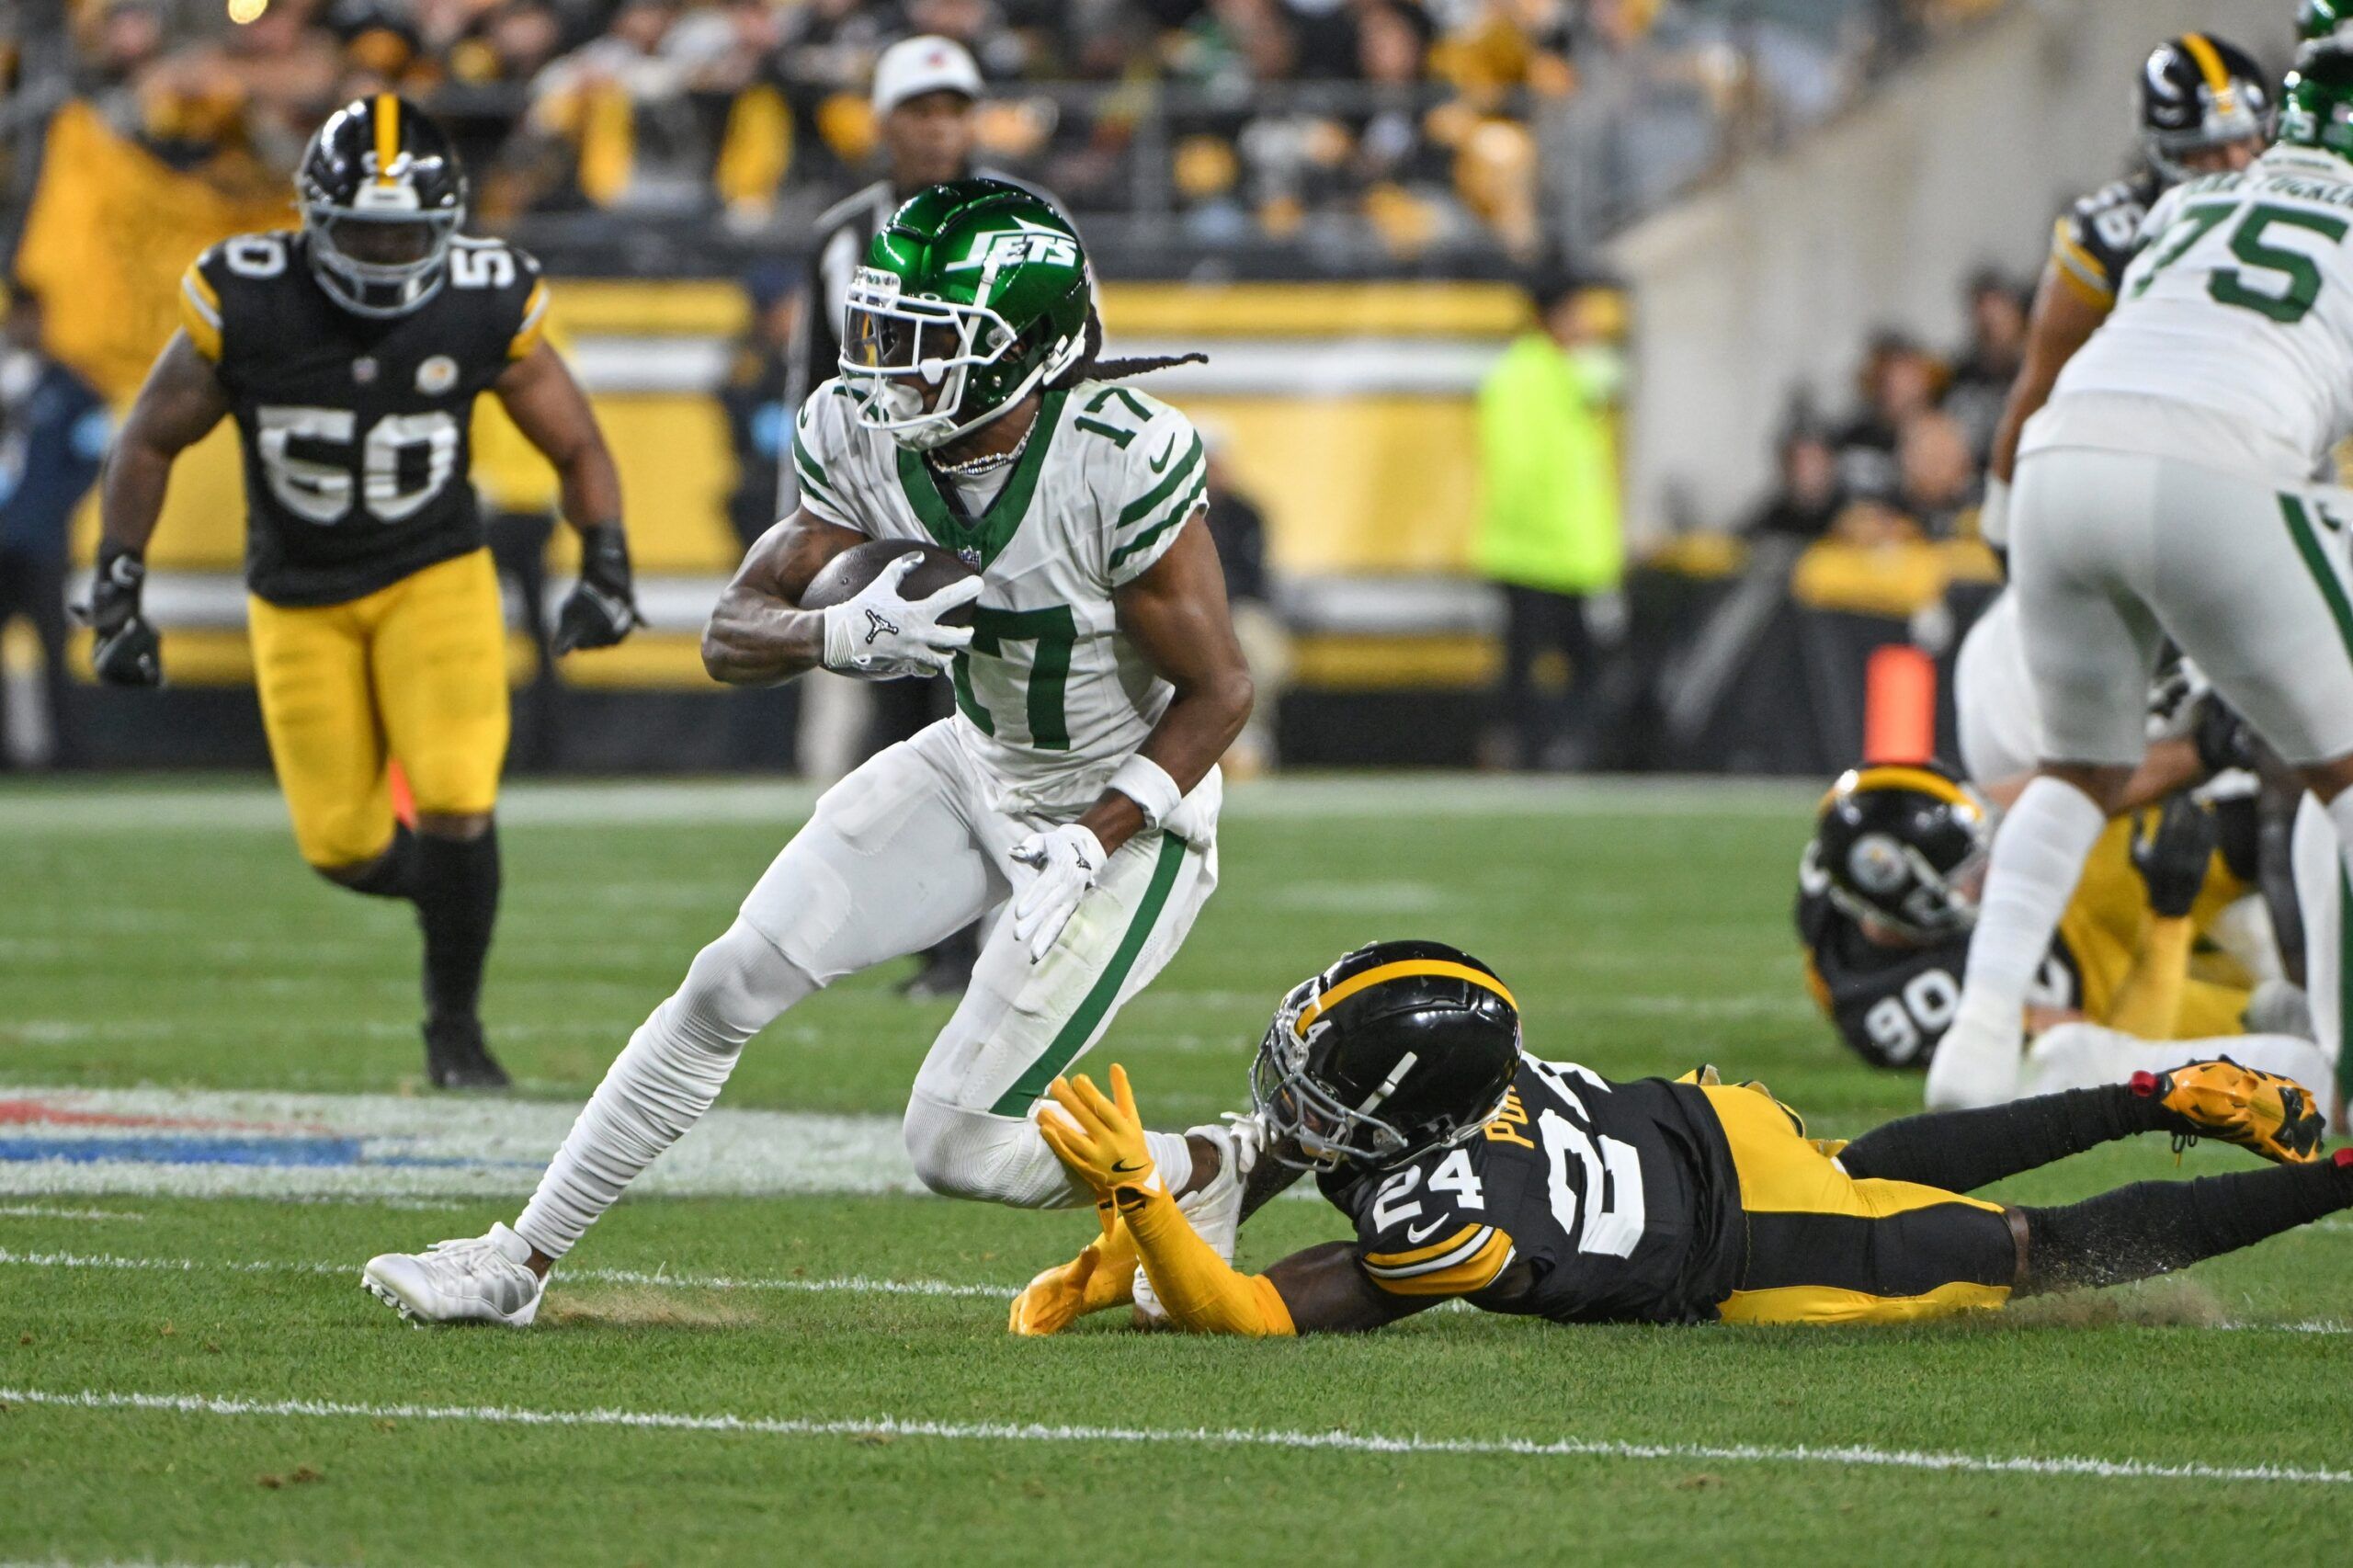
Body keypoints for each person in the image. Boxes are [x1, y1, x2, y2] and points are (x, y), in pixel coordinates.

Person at [359, 179, 1256, 1328]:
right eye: (886, 330)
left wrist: (1093, 836)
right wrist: (836, 632)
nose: (892, 368)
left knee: (954, 1144)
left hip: (1126, 816)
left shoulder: (1118, 455)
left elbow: (1221, 688)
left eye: (928, 343)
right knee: (726, 978)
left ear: (1019, 348)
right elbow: (730, 630)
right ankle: (514, 1260)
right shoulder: (860, 432)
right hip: (977, 761)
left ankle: (1209, 1163)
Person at [88, 96, 641, 1088]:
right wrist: (118, 588)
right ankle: (460, 899)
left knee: (457, 794)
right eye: (363, 231)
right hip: (296, 591)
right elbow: (149, 440)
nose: (386, 253)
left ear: (447, 226)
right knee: (341, 845)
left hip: (434, 571)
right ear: (312, 218)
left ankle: (454, 1028)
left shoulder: (482, 295)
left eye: (406, 232)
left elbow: (575, 441)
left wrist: (605, 563)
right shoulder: (248, 296)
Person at [1008, 939, 2340, 1338]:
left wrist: (1146, 1204)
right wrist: (1136, 1246)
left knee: (2025, 1249)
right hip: (1729, 1124)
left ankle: (2336, 1177)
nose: (1299, 1107)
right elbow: (1269, 1184)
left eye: (1325, 1084)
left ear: (1414, 1109)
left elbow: (1250, 1311)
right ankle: (2153, 1093)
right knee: (1875, 1170)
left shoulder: (1439, 1217)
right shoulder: (1476, 1082)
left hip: (1751, 1245)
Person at [1930, 46, 2353, 1115]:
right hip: (2224, 471)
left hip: (2064, 463)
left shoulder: (2177, 210)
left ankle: (1975, 1040)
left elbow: (2054, 378)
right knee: (2338, 767)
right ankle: (2344, 1057)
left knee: (2077, 770)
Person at [789, 33, 1074, 997]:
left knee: (1003, 725)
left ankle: (1024, 928)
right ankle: (937, 944)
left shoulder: (1026, 220)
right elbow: (815, 393)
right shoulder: (842, 235)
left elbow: (1072, 358)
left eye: (954, 109)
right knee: (902, 727)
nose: (939, 127)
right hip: (892, 517)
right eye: (920, 109)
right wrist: (809, 525)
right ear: (884, 121)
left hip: (1001, 506)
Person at [1795, 764, 2330, 1096]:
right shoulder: (1894, 1006)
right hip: (2115, 993)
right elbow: (2108, 1051)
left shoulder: (1842, 873)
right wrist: (2168, 918)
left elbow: (2011, 797)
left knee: (2261, 827)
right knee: (2304, 1041)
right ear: (1909, 901)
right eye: (1970, 878)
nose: (1993, 875)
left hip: (2080, 894)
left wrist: (2193, 750)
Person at [1978, 34, 2269, 555]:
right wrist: (2002, 516)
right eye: (2208, 150)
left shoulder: (2309, 196)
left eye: (2246, 142)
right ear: (2162, 150)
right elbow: (2041, 386)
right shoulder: (2112, 237)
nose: (2236, 165)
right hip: (2158, 477)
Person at [1472, 269, 1626, 771]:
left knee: (1571, 665)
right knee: (1531, 668)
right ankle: (1524, 753)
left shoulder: (1563, 372)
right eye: (1576, 312)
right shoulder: (1521, 376)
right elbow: (1518, 468)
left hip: (1568, 552)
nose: (1586, 323)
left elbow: (1607, 377)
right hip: (1533, 551)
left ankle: (1558, 753)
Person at [0, 286, 108, 767]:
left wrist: (48, 508)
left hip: (42, 543)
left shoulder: (69, 388)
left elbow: (90, 456)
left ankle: (68, 754)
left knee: (54, 651)